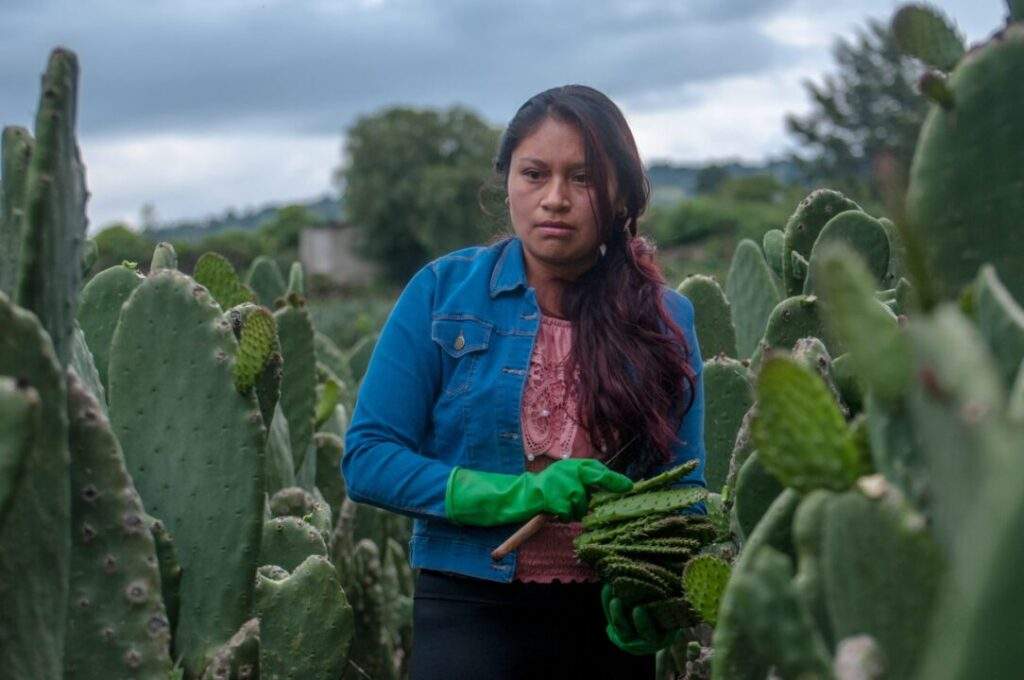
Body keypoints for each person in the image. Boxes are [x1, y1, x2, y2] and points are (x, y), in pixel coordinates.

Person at [343, 84, 705, 679]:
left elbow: (689, 492)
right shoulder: (441, 295)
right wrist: (521, 495)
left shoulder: (667, 321)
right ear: (506, 181)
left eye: (583, 178)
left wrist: (653, 606)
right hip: (468, 604)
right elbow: (368, 460)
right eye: (534, 174)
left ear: (620, 193)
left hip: (608, 620)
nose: (555, 199)